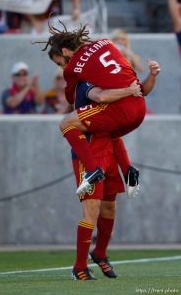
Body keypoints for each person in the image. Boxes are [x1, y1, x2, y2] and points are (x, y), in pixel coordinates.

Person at [35, 22, 160, 195]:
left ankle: (92, 170)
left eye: (60, 63)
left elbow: (73, 98)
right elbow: (141, 89)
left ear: (64, 51)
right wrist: (149, 77)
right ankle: (129, 171)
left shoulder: (72, 68)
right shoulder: (106, 43)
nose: (63, 67)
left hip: (121, 110)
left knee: (66, 123)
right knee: (109, 133)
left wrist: (77, 83)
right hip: (139, 110)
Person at [71, 80, 139, 280]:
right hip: (90, 156)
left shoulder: (107, 86)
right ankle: (79, 268)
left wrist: (126, 165)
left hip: (109, 152)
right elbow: (97, 97)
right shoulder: (83, 87)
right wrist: (127, 91)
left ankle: (99, 253)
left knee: (110, 208)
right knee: (91, 210)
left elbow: (115, 133)